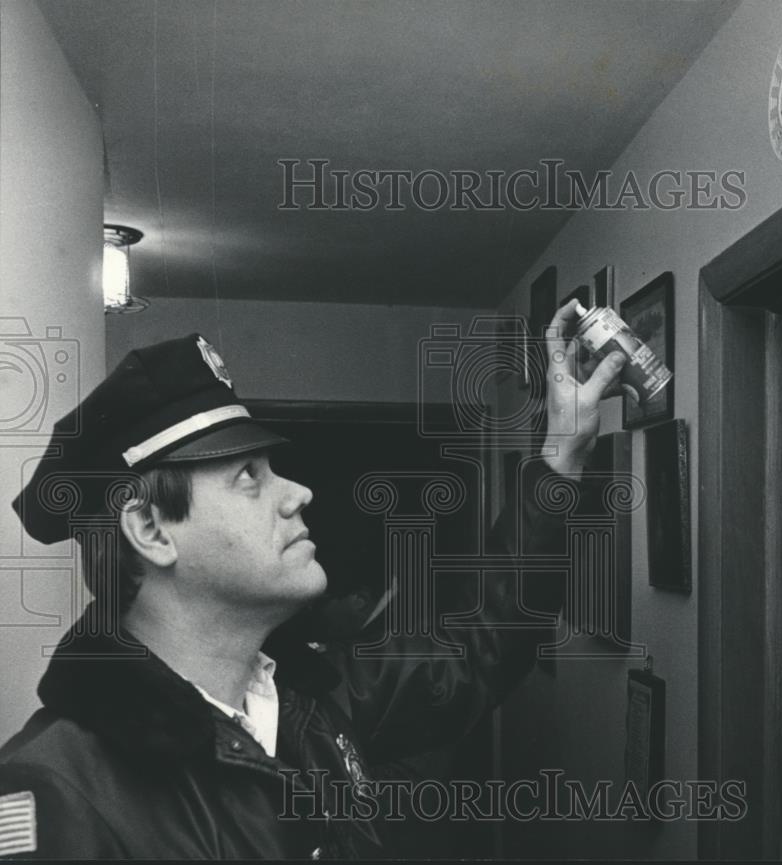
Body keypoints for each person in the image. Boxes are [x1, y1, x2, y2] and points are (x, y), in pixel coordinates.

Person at [0, 303, 626, 858]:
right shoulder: (58, 788)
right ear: (153, 530)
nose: (299, 493)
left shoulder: (310, 698)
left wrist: (561, 455)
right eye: (249, 475)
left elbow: (482, 648)